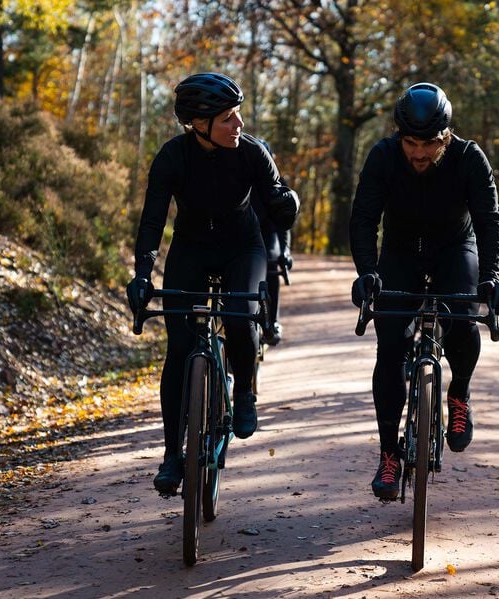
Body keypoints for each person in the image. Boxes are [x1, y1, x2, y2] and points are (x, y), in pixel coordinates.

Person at [126, 73, 299, 496]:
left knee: (241, 317)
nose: (238, 124)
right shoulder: (172, 157)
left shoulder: (252, 153)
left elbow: (279, 202)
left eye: (238, 114)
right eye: (227, 117)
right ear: (198, 124)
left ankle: (244, 394)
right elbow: (152, 221)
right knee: (179, 349)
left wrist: (286, 204)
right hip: (191, 249)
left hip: (243, 246)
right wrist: (142, 274)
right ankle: (172, 455)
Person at [349, 82, 499, 501]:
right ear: (398, 135)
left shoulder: (469, 158)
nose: (418, 153)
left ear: (446, 136)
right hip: (400, 253)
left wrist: (491, 277)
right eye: (410, 143)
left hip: (455, 248)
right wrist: (367, 272)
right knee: (390, 346)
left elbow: (490, 220)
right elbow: (364, 218)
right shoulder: (384, 156)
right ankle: (388, 454)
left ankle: (459, 394)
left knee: (461, 318)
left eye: (429, 144)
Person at [254, 139, 293, 346]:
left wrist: (285, 252)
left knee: (271, 265)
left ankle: (273, 320)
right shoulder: (240, 178)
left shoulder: (279, 183)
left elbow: (284, 225)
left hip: (269, 234)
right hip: (244, 234)